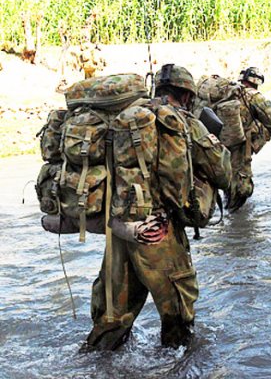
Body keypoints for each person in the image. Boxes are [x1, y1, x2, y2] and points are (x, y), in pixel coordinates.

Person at [80, 64, 232, 352]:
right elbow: (222, 173)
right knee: (178, 324)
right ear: (187, 96)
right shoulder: (182, 122)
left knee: (110, 323)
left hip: (121, 230)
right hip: (158, 232)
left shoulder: (122, 120)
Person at [225, 67, 271, 212]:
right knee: (242, 185)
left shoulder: (228, 93)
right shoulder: (255, 96)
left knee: (228, 178)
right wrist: (259, 137)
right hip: (241, 146)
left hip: (220, 144)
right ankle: (238, 222)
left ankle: (228, 208)